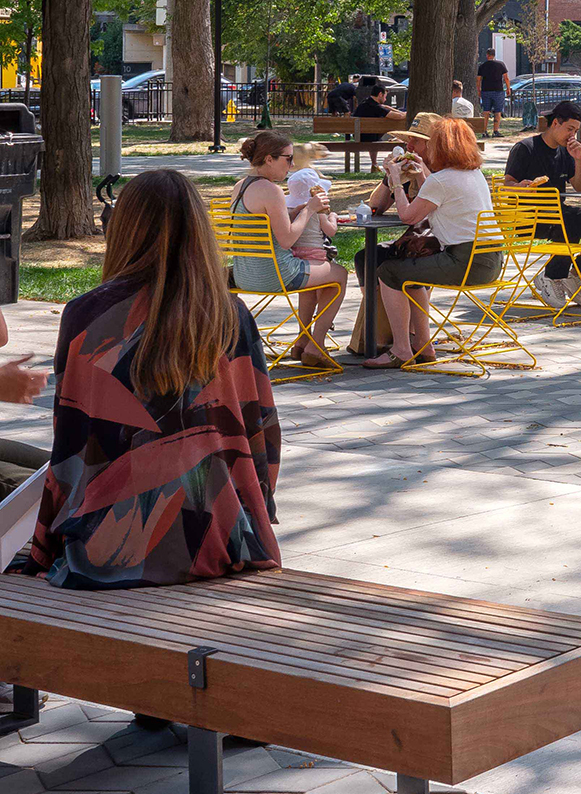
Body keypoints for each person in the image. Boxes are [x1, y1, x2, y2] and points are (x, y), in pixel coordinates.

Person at [6, 169, 280, 588]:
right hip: (221, 539)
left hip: (110, 546)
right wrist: (257, 520)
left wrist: (46, 544)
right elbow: (259, 430)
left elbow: (73, 445)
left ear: (123, 228)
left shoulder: (86, 315)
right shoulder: (231, 315)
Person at [366, 116, 503, 367]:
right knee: (411, 266)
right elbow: (435, 195)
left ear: (440, 147)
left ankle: (401, 349)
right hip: (491, 259)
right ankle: (423, 345)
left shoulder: (443, 179)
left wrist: (395, 181)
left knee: (388, 271)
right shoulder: (473, 174)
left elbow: (408, 217)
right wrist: (420, 176)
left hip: (465, 261)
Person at [230, 132, 348, 367]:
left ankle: (303, 340)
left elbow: (264, 226)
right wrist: (310, 210)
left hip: (244, 274)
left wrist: (292, 213)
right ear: (269, 159)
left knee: (318, 275)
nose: (292, 165)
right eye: (288, 159)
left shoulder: (240, 187)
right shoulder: (271, 190)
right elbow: (286, 240)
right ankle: (316, 345)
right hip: (276, 274)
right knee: (340, 275)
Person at [504, 100, 581, 311]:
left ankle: (575, 274)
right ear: (555, 123)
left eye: (576, 131)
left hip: (558, 213)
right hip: (529, 217)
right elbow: (506, 185)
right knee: (569, 223)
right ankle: (552, 276)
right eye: (570, 129)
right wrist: (520, 187)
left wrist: (579, 160)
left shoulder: (566, 151)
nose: (572, 135)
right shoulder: (526, 148)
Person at [346, 111, 439, 357]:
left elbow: (426, 208)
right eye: (408, 140)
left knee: (401, 262)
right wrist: (390, 177)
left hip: (439, 240)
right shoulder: (407, 169)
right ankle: (378, 327)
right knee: (366, 257)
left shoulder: (442, 172)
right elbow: (376, 205)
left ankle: (413, 337)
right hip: (416, 238)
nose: (408, 146)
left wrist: (419, 172)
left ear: (431, 144)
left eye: (416, 141)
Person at [353, 78, 394, 169]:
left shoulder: (364, 104)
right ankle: (377, 164)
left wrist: (387, 107)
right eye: (385, 96)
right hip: (369, 137)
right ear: (380, 94)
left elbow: (384, 108)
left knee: (375, 133)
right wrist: (406, 114)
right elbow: (396, 116)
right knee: (392, 133)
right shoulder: (375, 107)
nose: (385, 99)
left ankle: (374, 164)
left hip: (358, 136)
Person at [477, 51, 511, 136]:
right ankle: (495, 131)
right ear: (494, 55)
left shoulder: (482, 66)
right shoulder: (500, 64)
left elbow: (478, 80)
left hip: (486, 91)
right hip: (498, 91)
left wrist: (479, 90)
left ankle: (484, 131)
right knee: (498, 111)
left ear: (487, 55)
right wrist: (508, 88)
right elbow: (506, 78)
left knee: (486, 111)